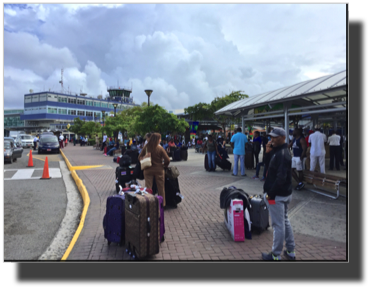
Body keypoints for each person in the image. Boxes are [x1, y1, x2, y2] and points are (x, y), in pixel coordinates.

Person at [262, 127, 295, 261]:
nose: (272, 139)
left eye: (275, 137)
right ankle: (291, 250)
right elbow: (267, 165)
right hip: (282, 194)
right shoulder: (278, 151)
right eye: (271, 137)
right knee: (285, 221)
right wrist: (267, 152)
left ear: (283, 138)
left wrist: (270, 194)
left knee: (278, 225)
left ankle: (276, 254)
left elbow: (281, 178)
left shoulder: (282, 154)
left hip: (277, 196)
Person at [138, 133, 171, 207]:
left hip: (148, 169)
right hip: (159, 169)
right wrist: (164, 165)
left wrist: (143, 162)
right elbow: (167, 159)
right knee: (161, 188)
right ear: (157, 140)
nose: (160, 140)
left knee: (148, 187)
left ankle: (149, 203)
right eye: (159, 139)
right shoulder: (160, 148)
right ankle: (162, 204)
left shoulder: (147, 147)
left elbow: (139, 156)